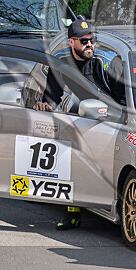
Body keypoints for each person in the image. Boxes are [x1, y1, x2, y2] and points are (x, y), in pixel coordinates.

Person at [34, 16, 124, 230]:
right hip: (85, 122)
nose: (90, 45)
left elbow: (123, 99)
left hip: (113, 121)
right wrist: (44, 106)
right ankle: (72, 214)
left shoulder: (106, 62)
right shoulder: (62, 65)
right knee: (71, 162)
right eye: (84, 41)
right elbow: (51, 97)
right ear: (71, 42)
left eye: (91, 40)